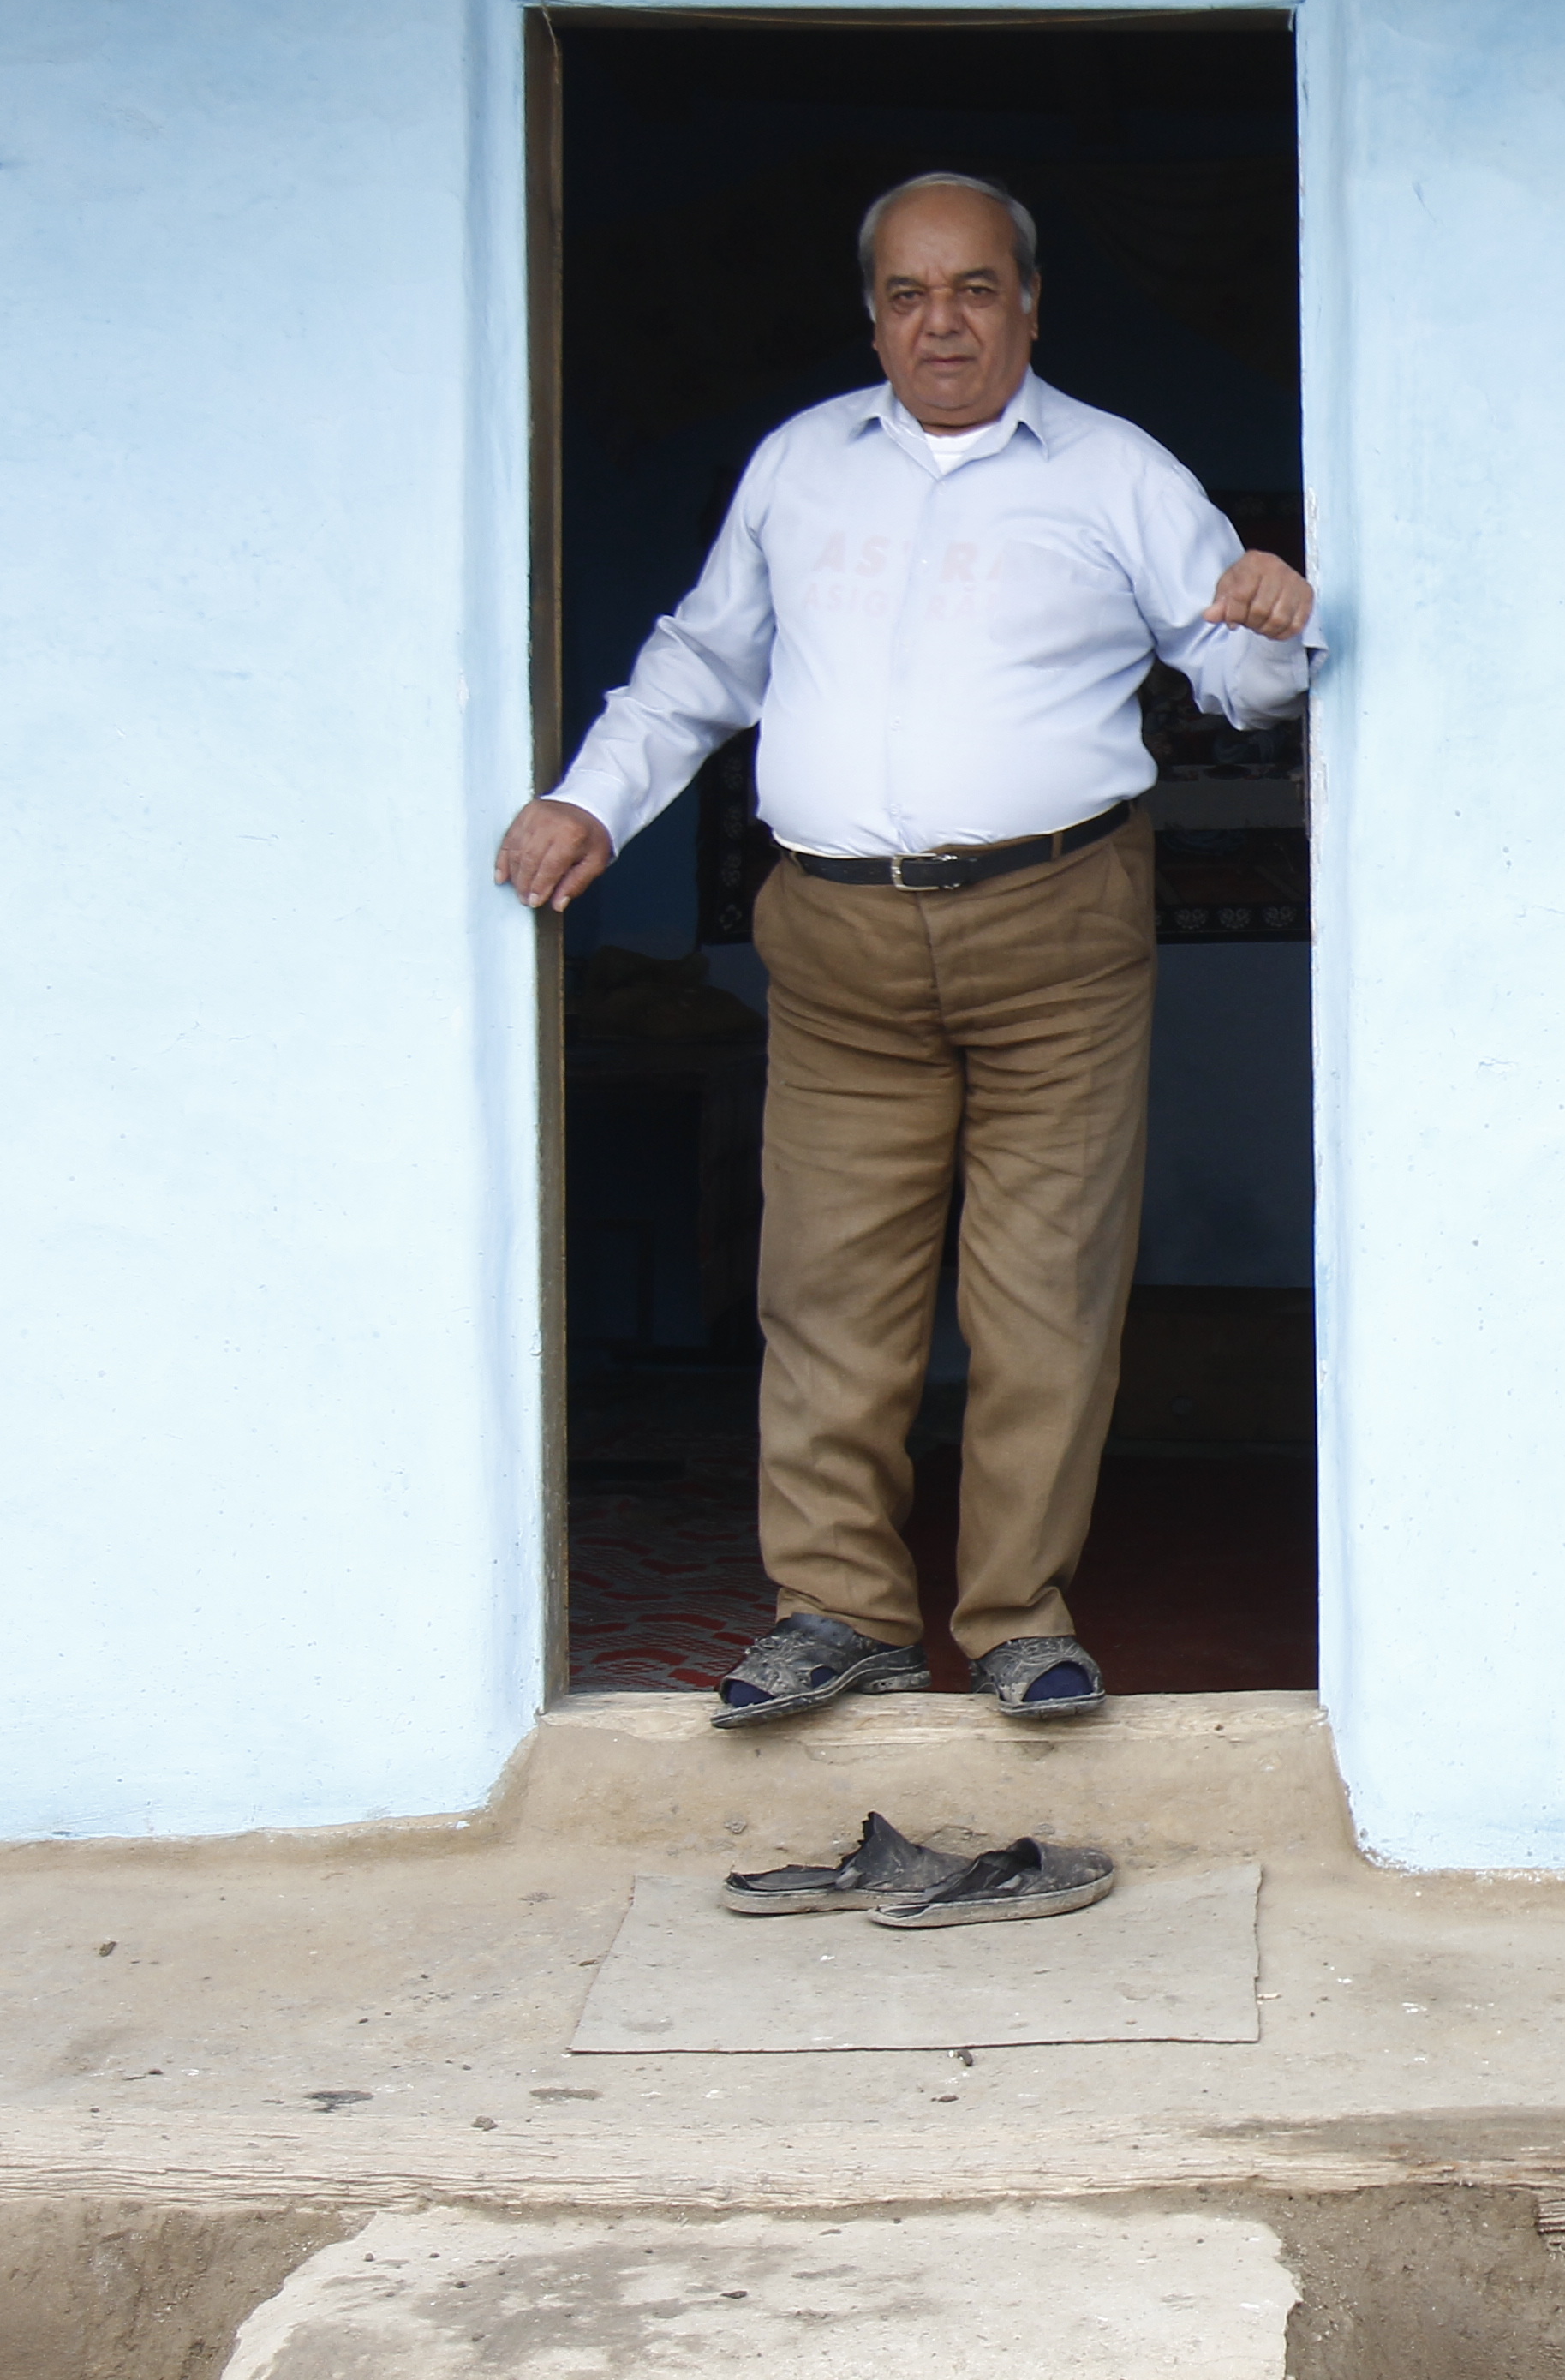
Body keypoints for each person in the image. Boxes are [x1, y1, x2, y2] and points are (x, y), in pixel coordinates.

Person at [494, 172, 1317, 1726]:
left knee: (1045, 1295)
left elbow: (1231, 677)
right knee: (825, 1290)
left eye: (976, 288)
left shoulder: (1117, 470)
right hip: (839, 943)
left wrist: (1273, 626)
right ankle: (839, 1614)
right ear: (873, 316)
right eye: (909, 294)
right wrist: (590, 799)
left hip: (1058, 930)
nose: (943, 322)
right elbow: (701, 663)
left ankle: (1016, 1621)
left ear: (1030, 306)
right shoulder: (800, 465)